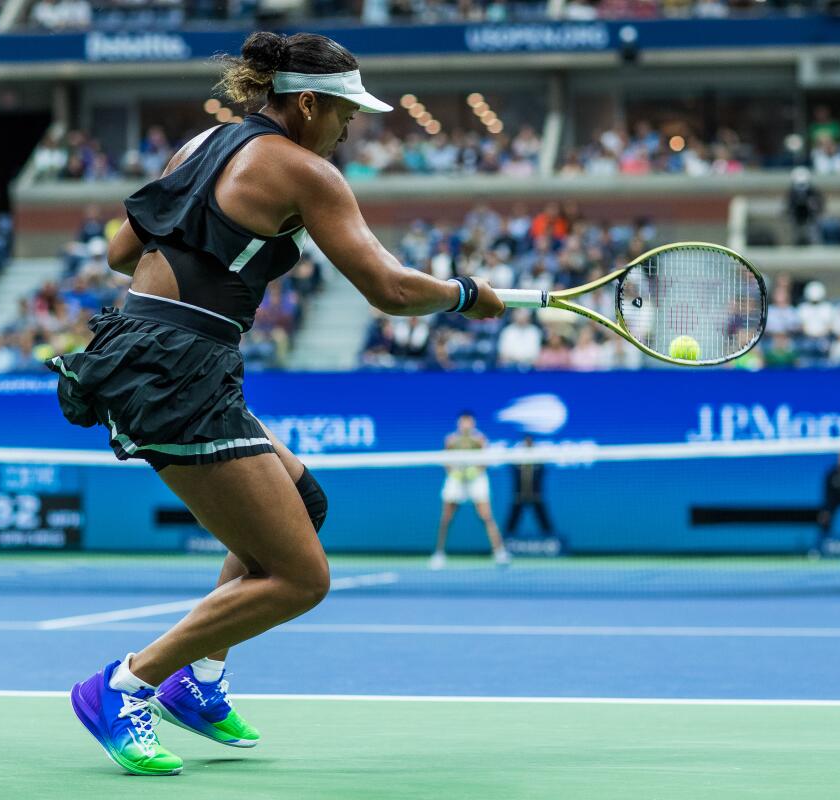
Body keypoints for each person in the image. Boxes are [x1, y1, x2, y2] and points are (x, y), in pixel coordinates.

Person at [46, 32, 503, 777]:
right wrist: (463, 295)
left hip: (141, 347)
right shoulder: (306, 171)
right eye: (346, 112)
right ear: (308, 102)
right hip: (178, 370)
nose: (351, 126)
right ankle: (125, 685)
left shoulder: (204, 141)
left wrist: (226, 248)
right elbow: (388, 289)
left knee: (303, 501)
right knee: (302, 579)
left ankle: (201, 679)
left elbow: (121, 252)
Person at [429, 411, 511, 570]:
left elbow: (485, 461)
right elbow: (445, 461)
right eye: (463, 421)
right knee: (446, 518)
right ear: (459, 423)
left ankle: (500, 552)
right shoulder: (451, 440)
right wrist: (454, 472)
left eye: (469, 422)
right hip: (456, 480)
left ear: (473, 423)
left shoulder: (479, 439)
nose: (466, 424)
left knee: (486, 517)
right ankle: (439, 554)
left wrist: (475, 471)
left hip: (476, 480)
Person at [504, 435, 555, 538]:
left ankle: (551, 539)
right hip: (519, 495)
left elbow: (541, 473)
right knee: (512, 520)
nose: (527, 445)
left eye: (529, 443)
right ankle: (505, 541)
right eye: (526, 443)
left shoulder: (538, 461)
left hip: (535, 495)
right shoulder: (516, 461)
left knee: (543, 520)